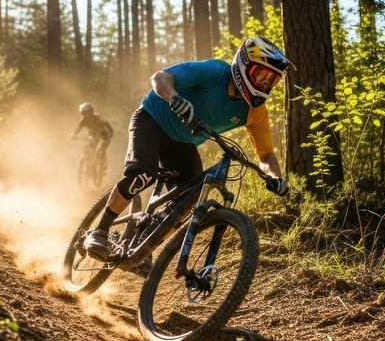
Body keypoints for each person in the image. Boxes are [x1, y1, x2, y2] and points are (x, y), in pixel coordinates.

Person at [83, 35, 292, 260]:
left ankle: (141, 249)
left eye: (271, 80)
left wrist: (275, 177)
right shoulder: (214, 72)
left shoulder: (255, 112)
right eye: (261, 75)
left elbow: (266, 154)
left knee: (188, 202)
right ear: (244, 64)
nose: (265, 84)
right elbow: (160, 78)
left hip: (182, 143)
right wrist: (174, 99)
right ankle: (99, 231)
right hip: (151, 119)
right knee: (143, 174)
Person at [70, 102, 115, 173]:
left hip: (103, 135)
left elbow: (107, 125)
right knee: (87, 145)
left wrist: (111, 132)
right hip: (92, 136)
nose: (86, 114)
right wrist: (74, 135)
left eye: (88, 112)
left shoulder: (98, 117)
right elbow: (78, 129)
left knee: (101, 148)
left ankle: (102, 163)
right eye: (83, 113)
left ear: (91, 111)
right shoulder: (83, 120)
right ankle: (90, 161)